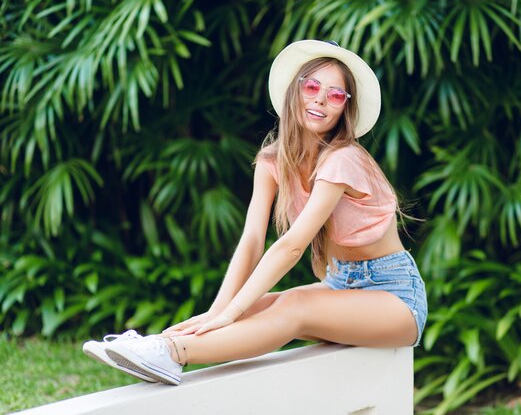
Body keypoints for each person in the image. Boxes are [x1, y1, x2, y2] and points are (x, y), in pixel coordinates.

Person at [82, 39, 428, 386]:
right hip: (340, 284)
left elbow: (292, 246)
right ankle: (161, 344)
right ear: (295, 90)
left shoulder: (343, 159)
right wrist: (221, 310)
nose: (321, 99)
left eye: (336, 95)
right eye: (312, 86)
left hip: (394, 295)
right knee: (261, 304)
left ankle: (175, 355)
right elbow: (251, 241)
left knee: (294, 309)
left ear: (344, 108)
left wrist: (229, 312)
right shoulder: (273, 162)